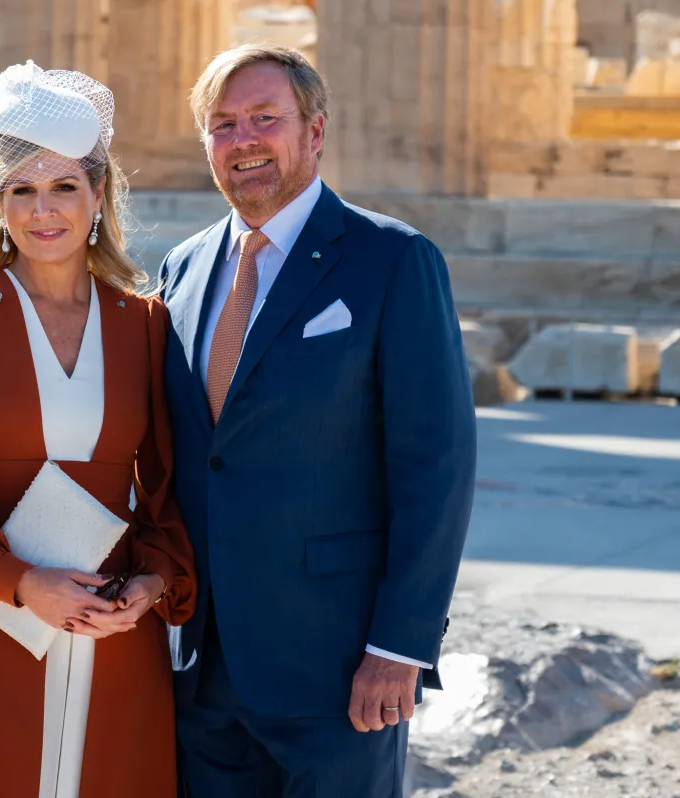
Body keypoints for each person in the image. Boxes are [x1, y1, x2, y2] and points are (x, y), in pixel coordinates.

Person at [158, 45, 478, 797]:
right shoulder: (181, 268)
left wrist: (399, 646)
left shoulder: (394, 260)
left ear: (315, 131)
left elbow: (436, 466)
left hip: (338, 671)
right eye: (223, 125)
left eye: (265, 119)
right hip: (201, 673)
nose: (243, 142)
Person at [0, 61, 196, 798]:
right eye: (21, 189)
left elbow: (168, 486)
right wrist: (22, 584)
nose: (43, 210)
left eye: (64, 187)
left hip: (111, 630)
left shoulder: (143, 323)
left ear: (99, 195)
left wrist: (153, 584)